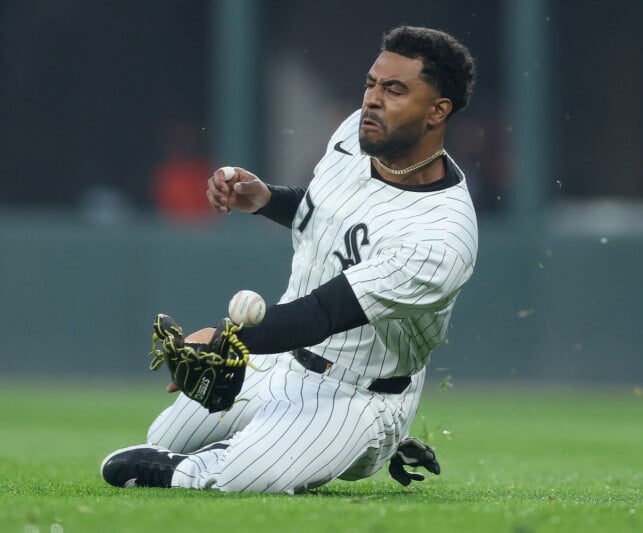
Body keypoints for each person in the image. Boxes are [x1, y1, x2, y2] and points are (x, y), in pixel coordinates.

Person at [101, 25, 478, 494]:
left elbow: (321, 313)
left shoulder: (440, 236)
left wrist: (224, 340)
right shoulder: (355, 137)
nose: (373, 100)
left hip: (358, 391)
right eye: (372, 84)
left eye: (395, 90)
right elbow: (328, 213)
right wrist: (264, 199)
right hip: (284, 359)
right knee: (164, 436)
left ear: (437, 110)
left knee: (244, 480)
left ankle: (356, 445)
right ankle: (273, 446)